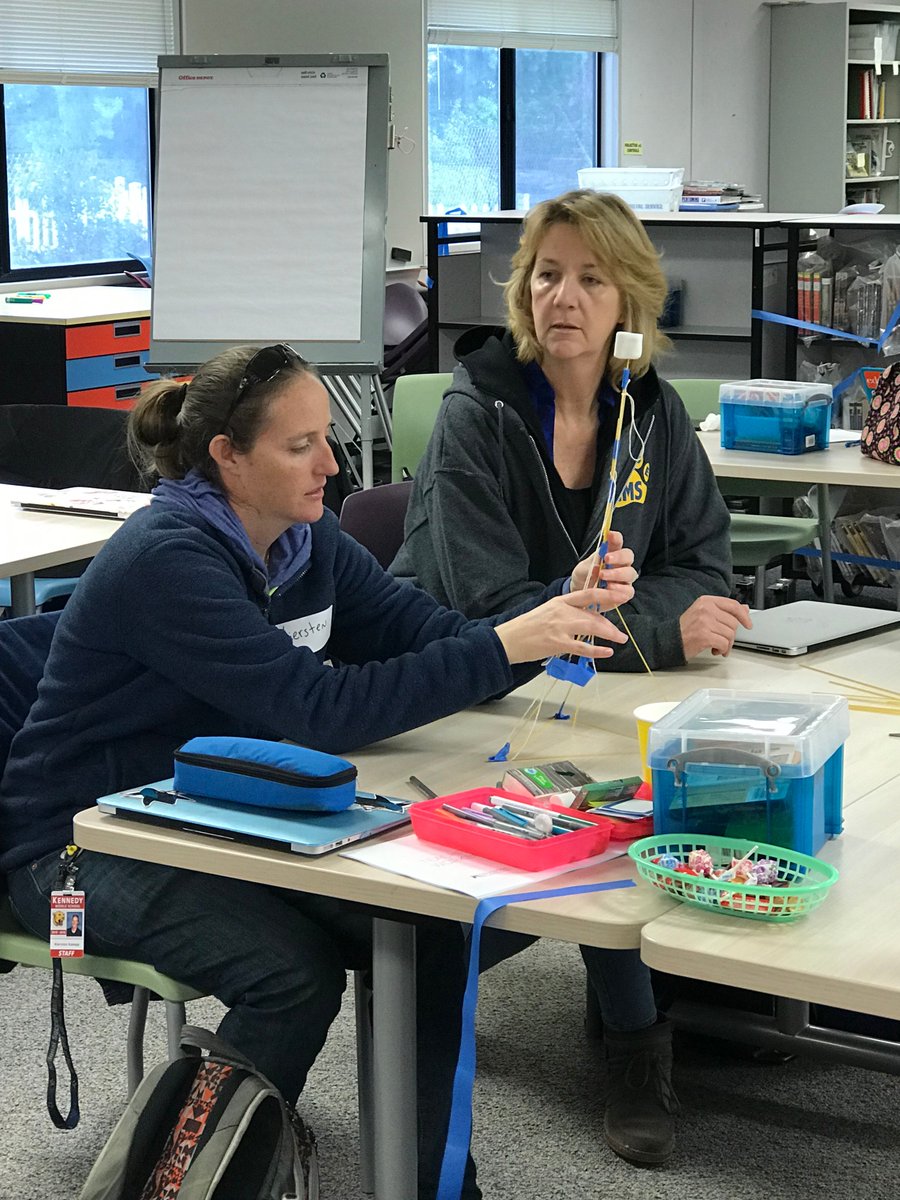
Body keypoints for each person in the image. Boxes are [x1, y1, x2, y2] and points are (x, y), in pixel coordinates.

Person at [0, 342, 638, 1200]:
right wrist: (502, 645)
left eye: (327, 438)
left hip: (213, 816)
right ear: (227, 456)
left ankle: (432, 1186)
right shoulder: (169, 560)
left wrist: (552, 611)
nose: (332, 464)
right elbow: (317, 710)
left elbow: (431, 638)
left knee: (426, 929)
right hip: (76, 843)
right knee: (288, 975)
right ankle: (175, 1181)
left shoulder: (307, 541)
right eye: (300, 445)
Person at [392, 189, 753, 1166]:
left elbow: (703, 571)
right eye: (547, 274)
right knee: (613, 812)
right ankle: (635, 1039)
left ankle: (636, 1016)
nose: (565, 296)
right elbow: (495, 611)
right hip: (455, 695)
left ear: (628, 297)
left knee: (636, 791)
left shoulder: (650, 413)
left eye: (592, 278)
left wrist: (644, 619)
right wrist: (661, 629)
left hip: (581, 692)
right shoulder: (478, 415)